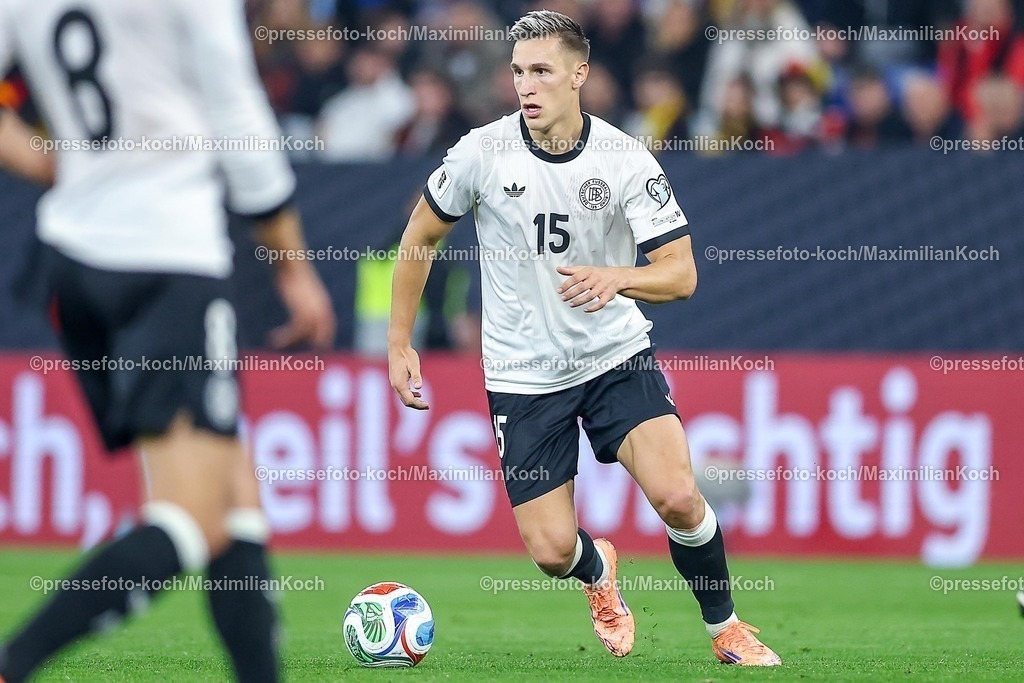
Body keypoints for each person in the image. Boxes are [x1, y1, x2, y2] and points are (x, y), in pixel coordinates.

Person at [387, 9, 781, 667]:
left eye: (541, 70)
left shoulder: (625, 159)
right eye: (518, 72)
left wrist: (617, 277)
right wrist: (400, 342)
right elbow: (421, 236)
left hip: (614, 356)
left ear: (580, 73)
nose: (527, 86)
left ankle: (728, 628)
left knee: (680, 495)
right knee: (549, 550)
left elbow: (681, 273)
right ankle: (598, 569)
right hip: (523, 373)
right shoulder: (481, 153)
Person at [0, 0, 335, 681]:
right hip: (167, 259)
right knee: (192, 516)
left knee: (234, 489)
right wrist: (294, 268)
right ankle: (15, 661)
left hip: (73, 258)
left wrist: (42, 161)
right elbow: (241, 117)